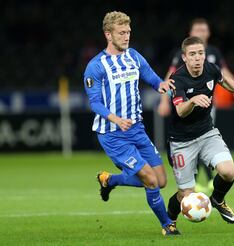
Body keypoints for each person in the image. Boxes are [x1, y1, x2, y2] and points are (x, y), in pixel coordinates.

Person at [83, 11, 180, 236]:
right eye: (121, 33)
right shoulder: (95, 66)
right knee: (149, 179)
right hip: (113, 134)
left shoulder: (134, 56)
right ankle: (167, 225)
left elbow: (152, 77)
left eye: (128, 32)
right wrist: (116, 119)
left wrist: (161, 85)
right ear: (108, 34)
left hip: (136, 129)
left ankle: (110, 180)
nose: (126, 37)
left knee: (161, 181)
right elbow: (95, 103)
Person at [166, 36, 234, 225]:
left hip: (206, 133)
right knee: (185, 195)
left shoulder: (210, 68)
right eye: (192, 54)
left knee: (228, 172)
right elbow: (180, 111)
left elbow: (223, 81)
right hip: (182, 141)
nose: (197, 58)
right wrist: (192, 101)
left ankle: (217, 199)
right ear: (184, 57)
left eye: (200, 53)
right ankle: (169, 220)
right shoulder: (176, 79)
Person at [157, 18, 234, 193]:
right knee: (191, 139)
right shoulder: (183, 55)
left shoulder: (214, 53)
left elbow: (224, 73)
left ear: (208, 33)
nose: (201, 33)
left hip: (208, 106)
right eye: (197, 30)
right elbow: (169, 76)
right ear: (191, 33)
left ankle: (206, 180)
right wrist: (164, 100)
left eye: (204, 30)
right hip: (185, 105)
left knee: (204, 138)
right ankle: (195, 180)